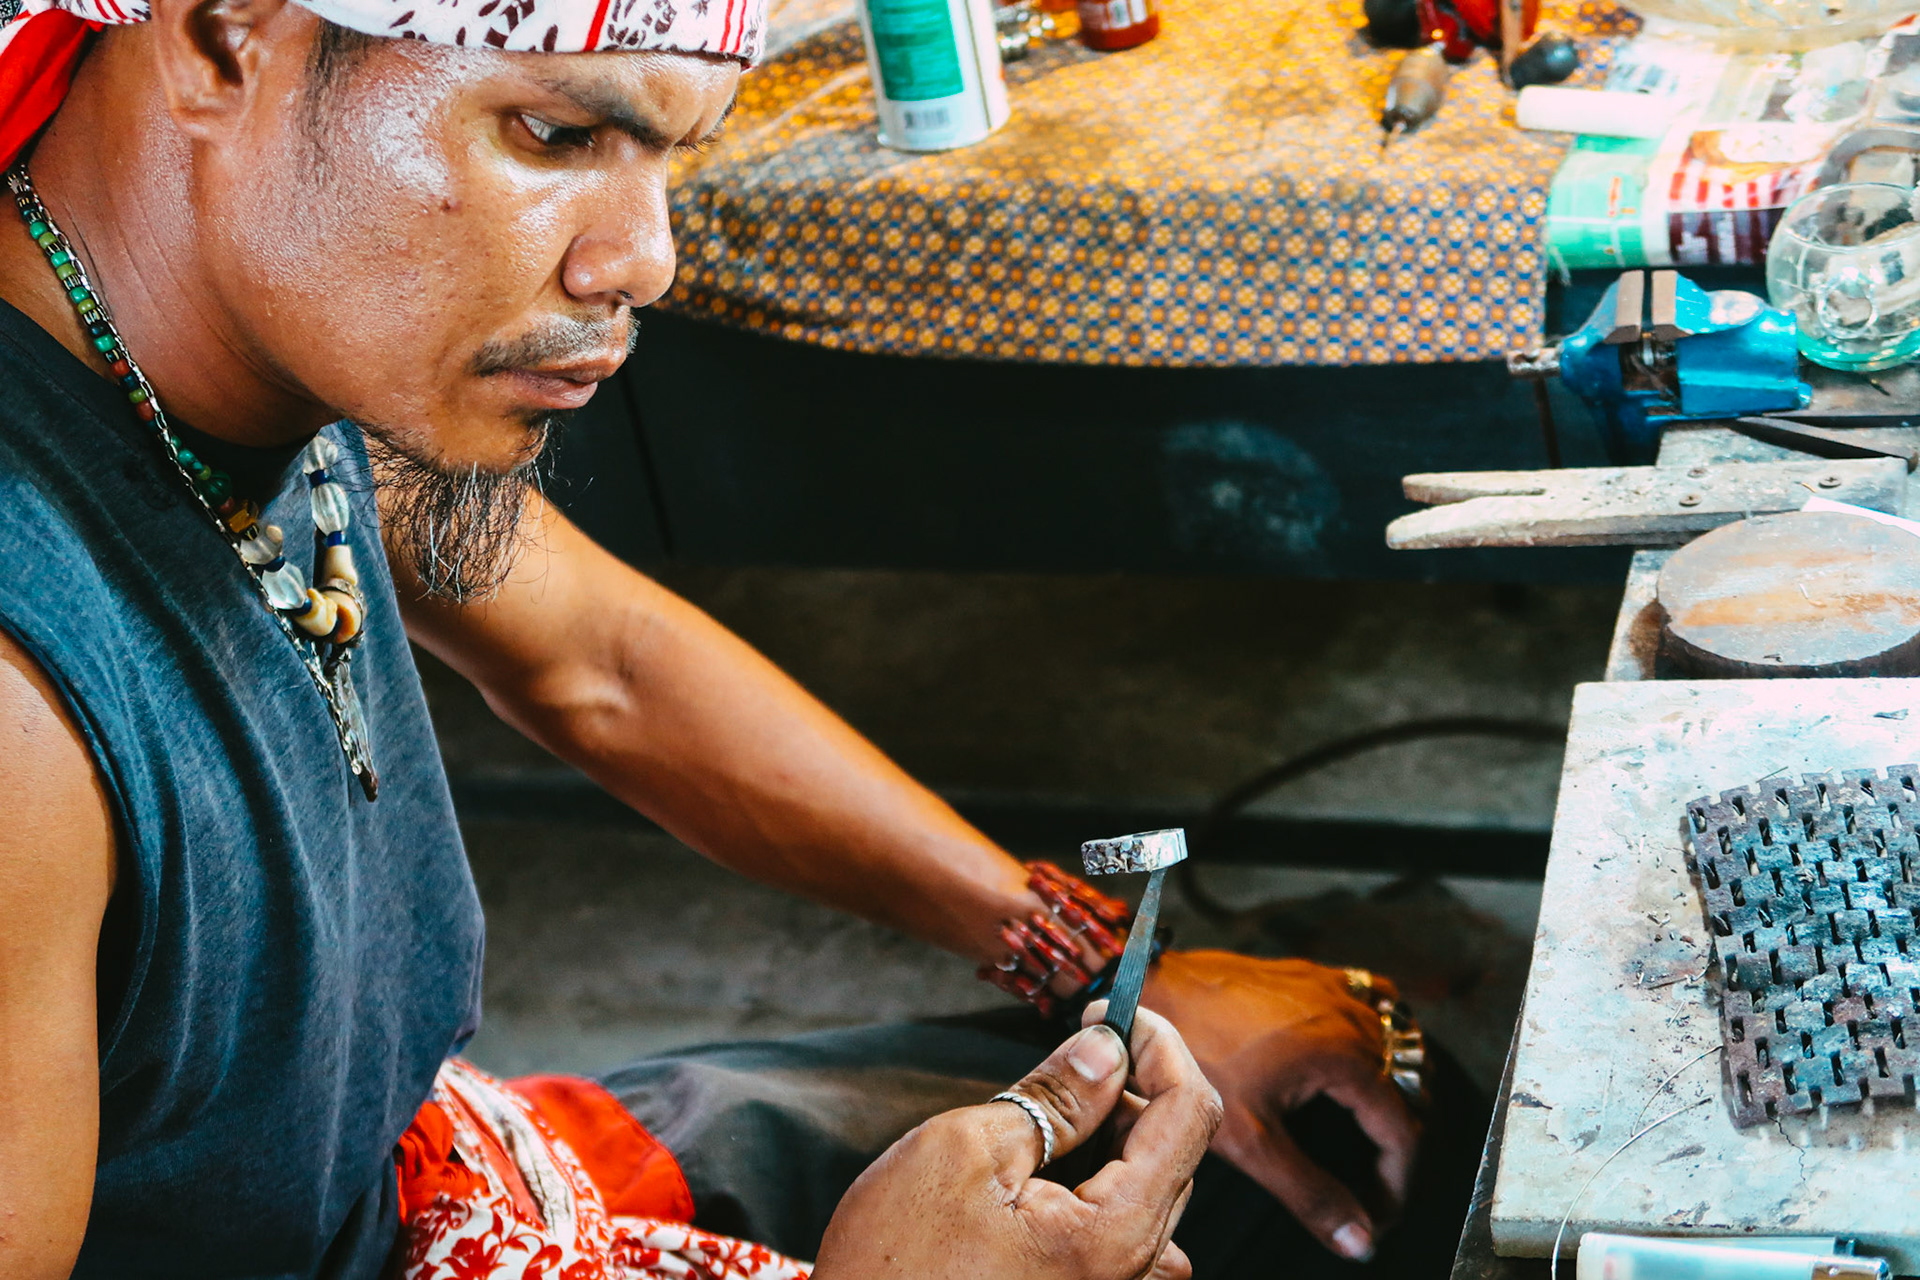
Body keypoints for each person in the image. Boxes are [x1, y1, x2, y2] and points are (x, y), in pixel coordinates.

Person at [0, 0, 1465, 1272]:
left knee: (1326, 1153)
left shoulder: (236, 348)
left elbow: (606, 667)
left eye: (668, 156)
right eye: (558, 136)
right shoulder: (21, 706)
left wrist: (1092, 972)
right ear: (216, 39)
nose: (641, 262)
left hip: (423, 1179)